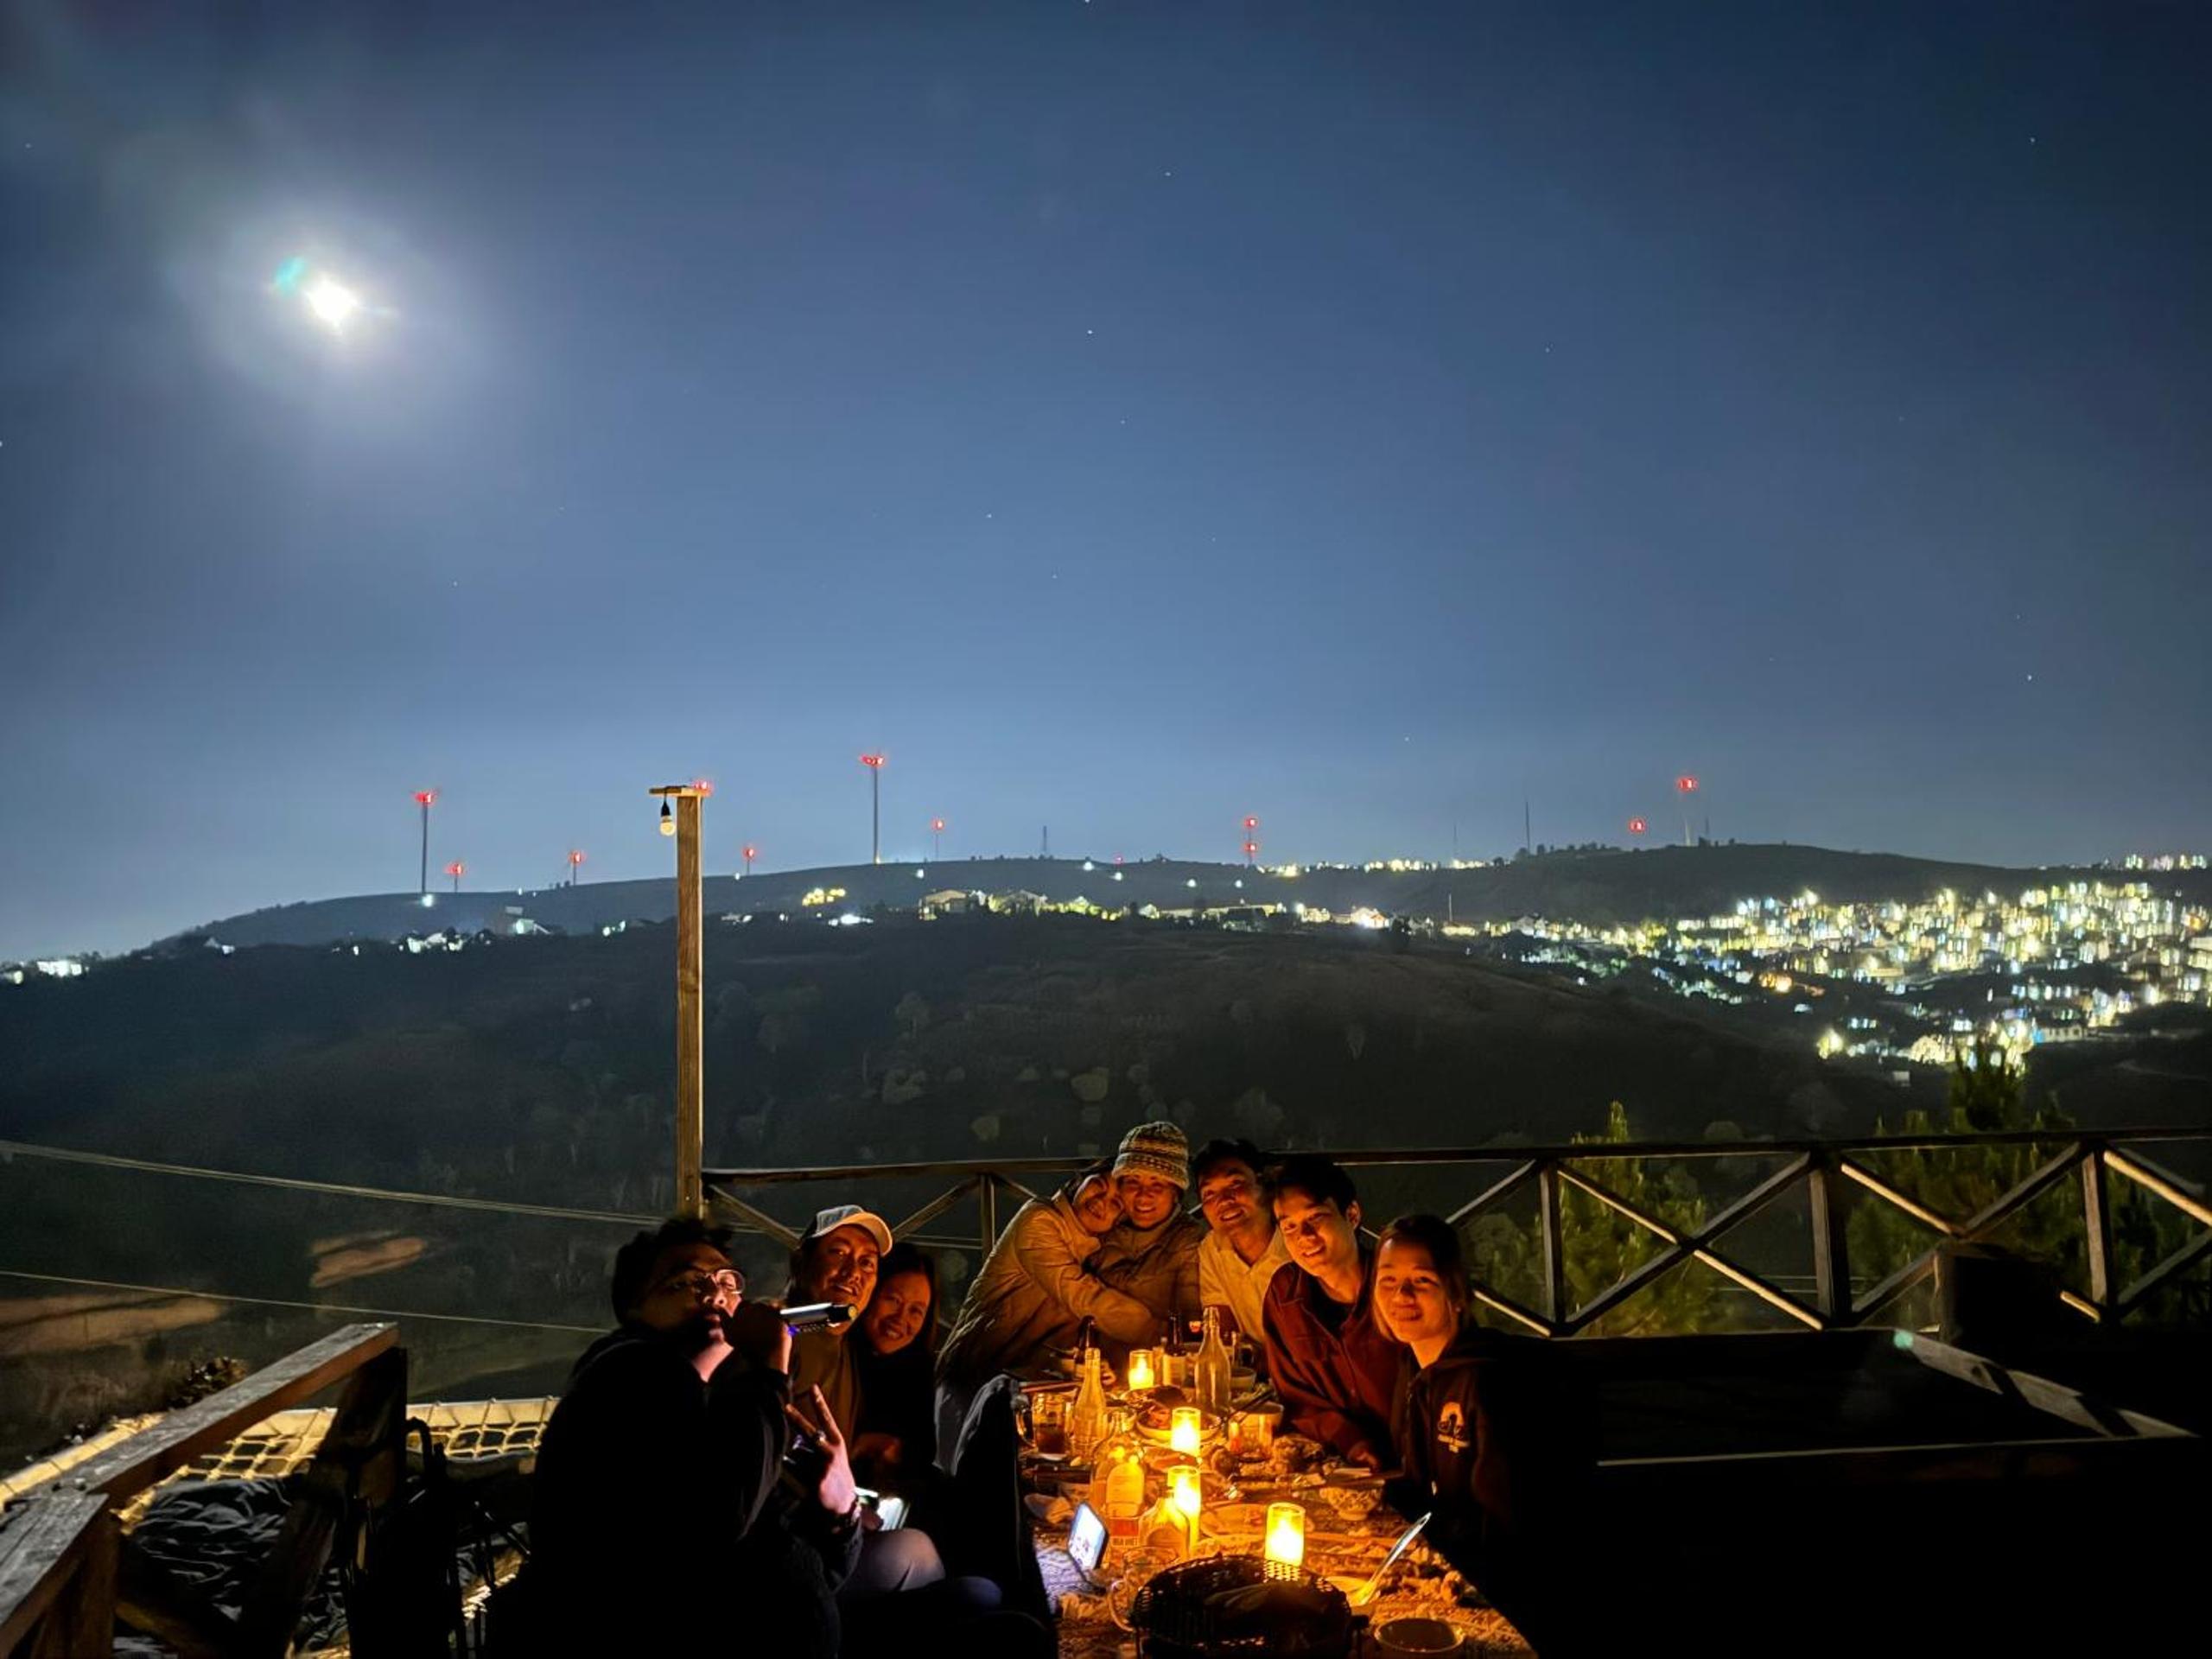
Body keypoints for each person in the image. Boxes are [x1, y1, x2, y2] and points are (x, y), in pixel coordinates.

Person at [522, 1217, 860, 1656]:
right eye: (685, 1282)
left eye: (727, 1281)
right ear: (634, 1309)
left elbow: (802, 1567)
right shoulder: (627, 1375)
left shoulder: (716, 1400)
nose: (714, 1293)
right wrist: (769, 1368)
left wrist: (840, 1511)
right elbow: (723, 1518)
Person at [1372, 1213, 1578, 1650]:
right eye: (1388, 1281)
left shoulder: (1487, 1382)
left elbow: (1507, 1523)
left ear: (1458, 1293)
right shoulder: (1414, 1365)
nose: (1401, 1296)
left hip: (1507, 1594)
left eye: (1422, 1281)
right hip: (1449, 1562)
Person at [937, 1161, 1157, 1422]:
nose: (1101, 1201)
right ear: (1078, 1182)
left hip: (1021, 1382)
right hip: (973, 1378)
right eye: (1097, 1185)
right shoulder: (1039, 1221)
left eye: (1116, 1204)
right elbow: (1085, 1297)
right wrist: (1158, 1330)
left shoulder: (1091, 1247)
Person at [1259, 1154, 1402, 1469]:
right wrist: (1351, 1441)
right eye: (1290, 1227)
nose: (1304, 1237)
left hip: (1412, 1463)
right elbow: (1295, 1396)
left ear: (1352, 1215)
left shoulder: (1397, 1288)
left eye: (1316, 1218)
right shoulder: (1285, 1295)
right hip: (1335, 1462)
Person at [785, 1203, 893, 1441]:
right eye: (838, 1252)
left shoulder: (852, 1347)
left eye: (867, 1262)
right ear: (801, 1262)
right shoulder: (782, 1332)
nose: (853, 1272)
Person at [1093, 1120, 1203, 1332]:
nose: (1143, 1195)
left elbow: (1192, 1323)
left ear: (1175, 1192)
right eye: (1133, 1182)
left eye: (1157, 1184)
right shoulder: (1103, 1226)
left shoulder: (1188, 1241)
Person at [852, 1242, 941, 1486]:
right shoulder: (837, 1353)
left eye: (916, 1311)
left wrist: (898, 1450)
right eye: (893, 1300)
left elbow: (925, 1451)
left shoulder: (919, 1370)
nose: (900, 1318)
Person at [1192, 1136, 1292, 1352]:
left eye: (1235, 1184)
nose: (1224, 1200)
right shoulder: (1212, 1249)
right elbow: (1222, 1338)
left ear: (1263, 1184)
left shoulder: (1296, 1240)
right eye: (1209, 1193)